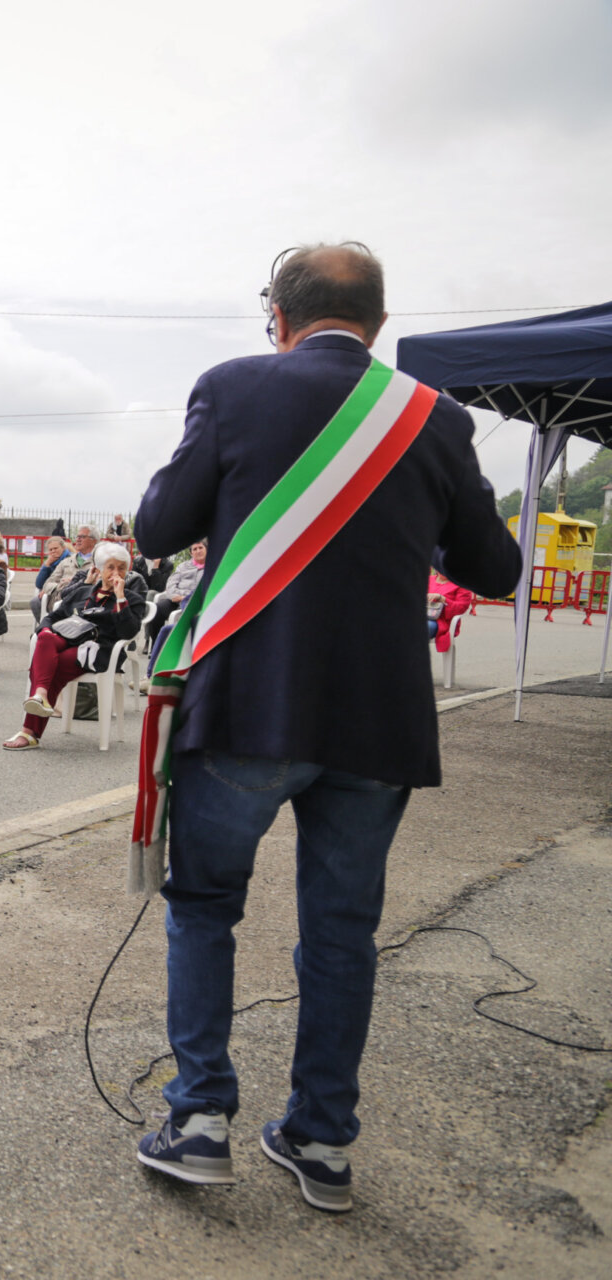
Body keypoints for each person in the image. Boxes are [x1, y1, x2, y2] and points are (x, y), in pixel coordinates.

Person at [127, 244, 521, 1211]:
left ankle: (201, 1119)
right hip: (379, 724)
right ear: (379, 324)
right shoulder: (436, 418)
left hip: (250, 711)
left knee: (206, 906)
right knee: (342, 936)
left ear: (278, 317)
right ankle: (322, 1141)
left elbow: (155, 529)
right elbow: (496, 571)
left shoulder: (230, 387)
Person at [3, 542, 145, 751]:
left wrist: (120, 598)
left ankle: (29, 731)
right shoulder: (84, 592)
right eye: (111, 567)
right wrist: (46, 629)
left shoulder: (132, 599)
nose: (116, 572)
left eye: (122, 568)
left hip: (96, 650)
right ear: (100, 569)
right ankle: (40, 695)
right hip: (68, 639)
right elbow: (53, 617)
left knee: (53, 665)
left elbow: (128, 633)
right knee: (44, 638)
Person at [146, 540, 205, 645]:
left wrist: (185, 597)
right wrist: (179, 596)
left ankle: (179, 648)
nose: (198, 551)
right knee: (156, 611)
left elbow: (203, 589)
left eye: (200, 548)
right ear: (191, 553)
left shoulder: (211, 567)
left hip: (195, 603)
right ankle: (157, 644)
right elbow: (171, 585)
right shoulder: (183, 567)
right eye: (195, 549)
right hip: (175, 600)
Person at [34, 524, 96, 620]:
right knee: (36, 602)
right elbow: (46, 584)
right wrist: (61, 585)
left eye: (82, 537)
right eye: (77, 536)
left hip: (85, 602)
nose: (78, 539)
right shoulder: (66, 562)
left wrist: (75, 582)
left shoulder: (98, 562)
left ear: (93, 540)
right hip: (61, 600)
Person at [427, 568, 472, 651]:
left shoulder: (462, 584)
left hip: (443, 623)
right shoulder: (429, 579)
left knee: (418, 628)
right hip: (422, 616)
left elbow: (461, 608)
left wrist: (442, 598)